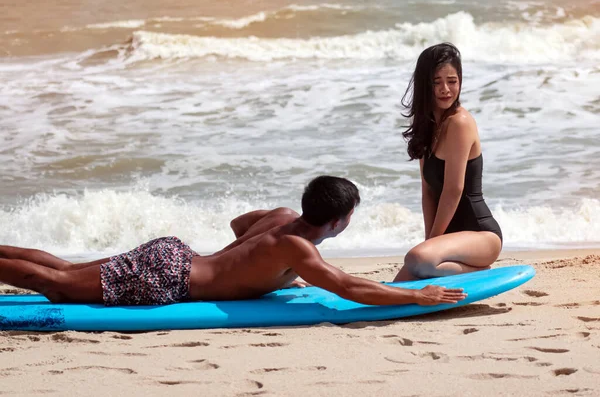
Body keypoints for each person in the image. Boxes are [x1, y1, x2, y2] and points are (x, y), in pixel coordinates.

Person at [0, 176, 465, 306]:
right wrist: (418, 296)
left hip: (172, 253)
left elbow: (239, 225)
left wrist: (264, 271)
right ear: (340, 220)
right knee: (57, 286)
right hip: (172, 279)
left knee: (62, 267)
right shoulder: (300, 250)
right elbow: (347, 287)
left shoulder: (283, 218)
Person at [394, 43, 502, 282]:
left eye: (452, 81)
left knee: (418, 260)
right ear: (425, 84)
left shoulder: (459, 123)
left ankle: (479, 271)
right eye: (436, 82)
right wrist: (430, 243)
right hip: (449, 239)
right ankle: (435, 262)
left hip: (480, 236)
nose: (445, 89)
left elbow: (454, 190)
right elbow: (428, 192)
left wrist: (431, 245)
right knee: (402, 282)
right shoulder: (427, 125)